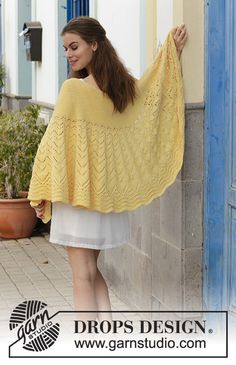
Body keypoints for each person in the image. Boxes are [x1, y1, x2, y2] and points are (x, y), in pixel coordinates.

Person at [30, 17, 188, 322]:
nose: (69, 54)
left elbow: (52, 146)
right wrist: (170, 53)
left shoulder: (73, 90)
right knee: (92, 271)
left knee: (81, 277)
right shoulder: (122, 90)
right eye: (65, 49)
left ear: (94, 44)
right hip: (106, 202)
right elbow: (150, 97)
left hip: (78, 197)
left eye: (74, 46)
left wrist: (40, 189)